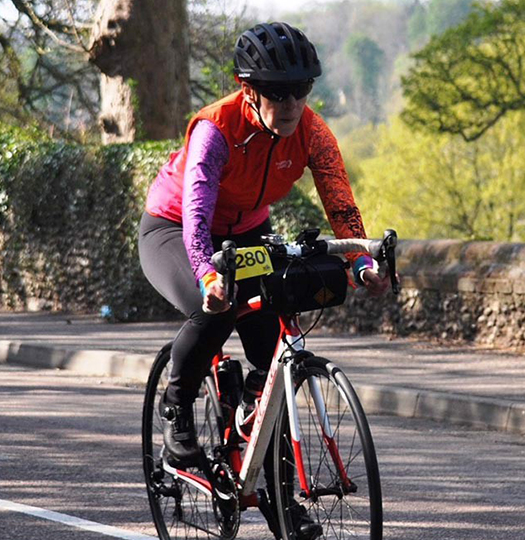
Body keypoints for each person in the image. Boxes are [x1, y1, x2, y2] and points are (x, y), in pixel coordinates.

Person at [138, 22, 391, 540]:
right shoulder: (215, 129)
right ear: (248, 89)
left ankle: (277, 491)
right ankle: (177, 409)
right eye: (279, 92)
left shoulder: (312, 131)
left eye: (302, 90)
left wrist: (363, 263)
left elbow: (340, 204)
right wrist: (208, 273)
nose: (292, 102)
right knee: (218, 305)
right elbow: (196, 215)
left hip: (250, 232)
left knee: (274, 353)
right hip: (175, 229)